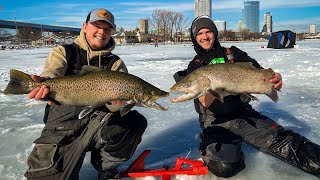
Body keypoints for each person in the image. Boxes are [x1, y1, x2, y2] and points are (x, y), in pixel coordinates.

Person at [173, 15, 320, 178]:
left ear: (215, 33)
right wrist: (209, 86)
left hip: (244, 115)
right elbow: (206, 103)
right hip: (216, 121)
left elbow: (262, 74)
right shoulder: (195, 66)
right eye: (199, 34)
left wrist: (275, 80)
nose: (204, 37)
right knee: (225, 167)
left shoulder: (232, 53)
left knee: (288, 144)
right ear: (194, 38)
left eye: (208, 31)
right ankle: (218, 145)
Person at [24, 8, 147, 180]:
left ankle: (106, 167)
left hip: (97, 125)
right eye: (97, 25)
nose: (101, 32)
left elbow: (116, 109)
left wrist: (117, 105)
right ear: (85, 26)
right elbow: (53, 73)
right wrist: (43, 83)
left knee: (134, 122)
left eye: (107, 28)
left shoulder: (115, 63)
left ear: (112, 32)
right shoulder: (64, 52)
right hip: (62, 128)